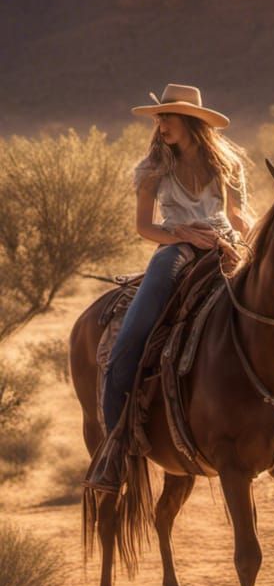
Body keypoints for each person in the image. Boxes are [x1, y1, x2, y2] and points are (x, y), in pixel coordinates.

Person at [85, 84, 251, 492]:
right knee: (133, 333)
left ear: (190, 121)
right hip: (175, 249)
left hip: (224, 245)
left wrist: (248, 240)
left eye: (167, 116)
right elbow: (145, 227)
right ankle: (115, 446)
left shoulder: (228, 165)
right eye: (158, 117)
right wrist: (180, 233)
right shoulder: (152, 168)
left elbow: (239, 214)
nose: (160, 125)